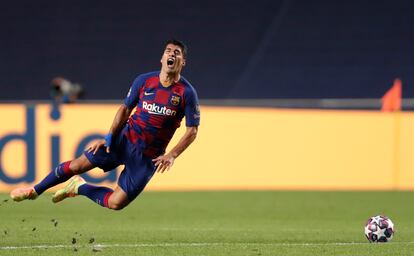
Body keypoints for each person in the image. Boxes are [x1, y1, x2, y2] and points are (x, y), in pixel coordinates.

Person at [10, 39, 200, 210]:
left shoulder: (186, 93)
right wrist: (109, 137)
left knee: (116, 203)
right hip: (124, 140)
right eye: (168, 51)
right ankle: (35, 190)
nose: (171, 54)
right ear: (161, 58)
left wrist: (172, 155)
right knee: (77, 165)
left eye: (177, 53)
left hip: (148, 157)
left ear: (182, 62)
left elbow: (192, 130)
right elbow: (125, 110)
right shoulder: (144, 81)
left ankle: (79, 187)